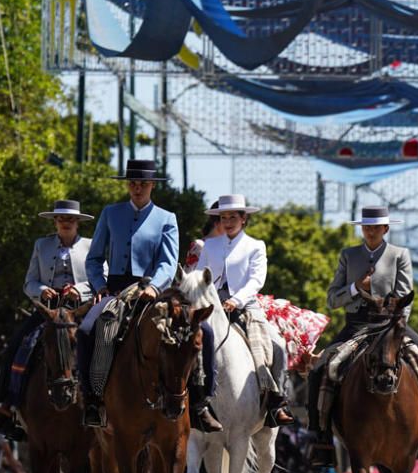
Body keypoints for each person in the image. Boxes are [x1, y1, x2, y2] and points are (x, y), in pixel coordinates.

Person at [307, 206, 418, 466]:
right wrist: (355, 287)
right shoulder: (348, 255)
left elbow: (405, 295)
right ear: (362, 228)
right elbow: (331, 299)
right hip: (356, 324)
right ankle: (320, 437)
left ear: (386, 229)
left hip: (389, 324)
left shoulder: (399, 255)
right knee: (320, 369)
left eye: (375, 227)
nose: (370, 231)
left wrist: (395, 326)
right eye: (366, 227)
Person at [78, 159, 194, 429]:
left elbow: (168, 262)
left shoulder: (167, 219)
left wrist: (155, 286)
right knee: (86, 330)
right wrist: (100, 286)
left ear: (152, 185)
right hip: (116, 290)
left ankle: (197, 401)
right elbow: (94, 258)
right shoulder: (110, 213)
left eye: (143, 183)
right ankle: (92, 398)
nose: (137, 188)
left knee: (184, 336)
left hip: (150, 291)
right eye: (133, 183)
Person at [0, 199, 95, 441]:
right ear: (55, 221)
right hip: (48, 312)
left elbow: (100, 278)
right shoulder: (41, 245)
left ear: (78, 222)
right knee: (16, 345)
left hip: (79, 311)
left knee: (101, 343)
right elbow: (29, 282)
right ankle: (5, 406)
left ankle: (101, 403)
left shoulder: (91, 246)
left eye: (71, 219)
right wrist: (42, 290)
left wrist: (81, 290)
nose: (66, 223)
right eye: (62, 218)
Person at [196, 194, 293, 427]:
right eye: (223, 217)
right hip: (213, 304)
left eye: (232, 217)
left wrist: (237, 300)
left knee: (277, 344)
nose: (227, 221)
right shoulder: (210, 246)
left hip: (245, 305)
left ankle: (275, 403)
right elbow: (199, 277)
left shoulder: (255, 246)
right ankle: (194, 399)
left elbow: (256, 280)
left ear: (243, 219)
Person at [180, 201, 224, 433]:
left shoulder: (242, 245)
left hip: (236, 302)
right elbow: (190, 280)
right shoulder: (199, 246)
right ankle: (201, 399)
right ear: (215, 221)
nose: (226, 223)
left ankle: (273, 398)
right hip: (203, 304)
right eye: (221, 219)